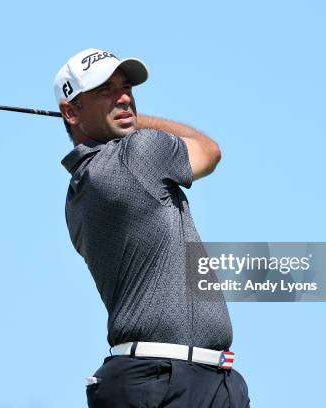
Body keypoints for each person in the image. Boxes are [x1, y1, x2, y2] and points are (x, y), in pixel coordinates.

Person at [54, 48, 250, 408]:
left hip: (194, 379)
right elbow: (209, 150)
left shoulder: (77, 193)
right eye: (104, 90)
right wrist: (137, 120)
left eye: (126, 87)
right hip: (163, 381)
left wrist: (115, 117)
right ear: (70, 111)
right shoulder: (139, 154)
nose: (125, 97)